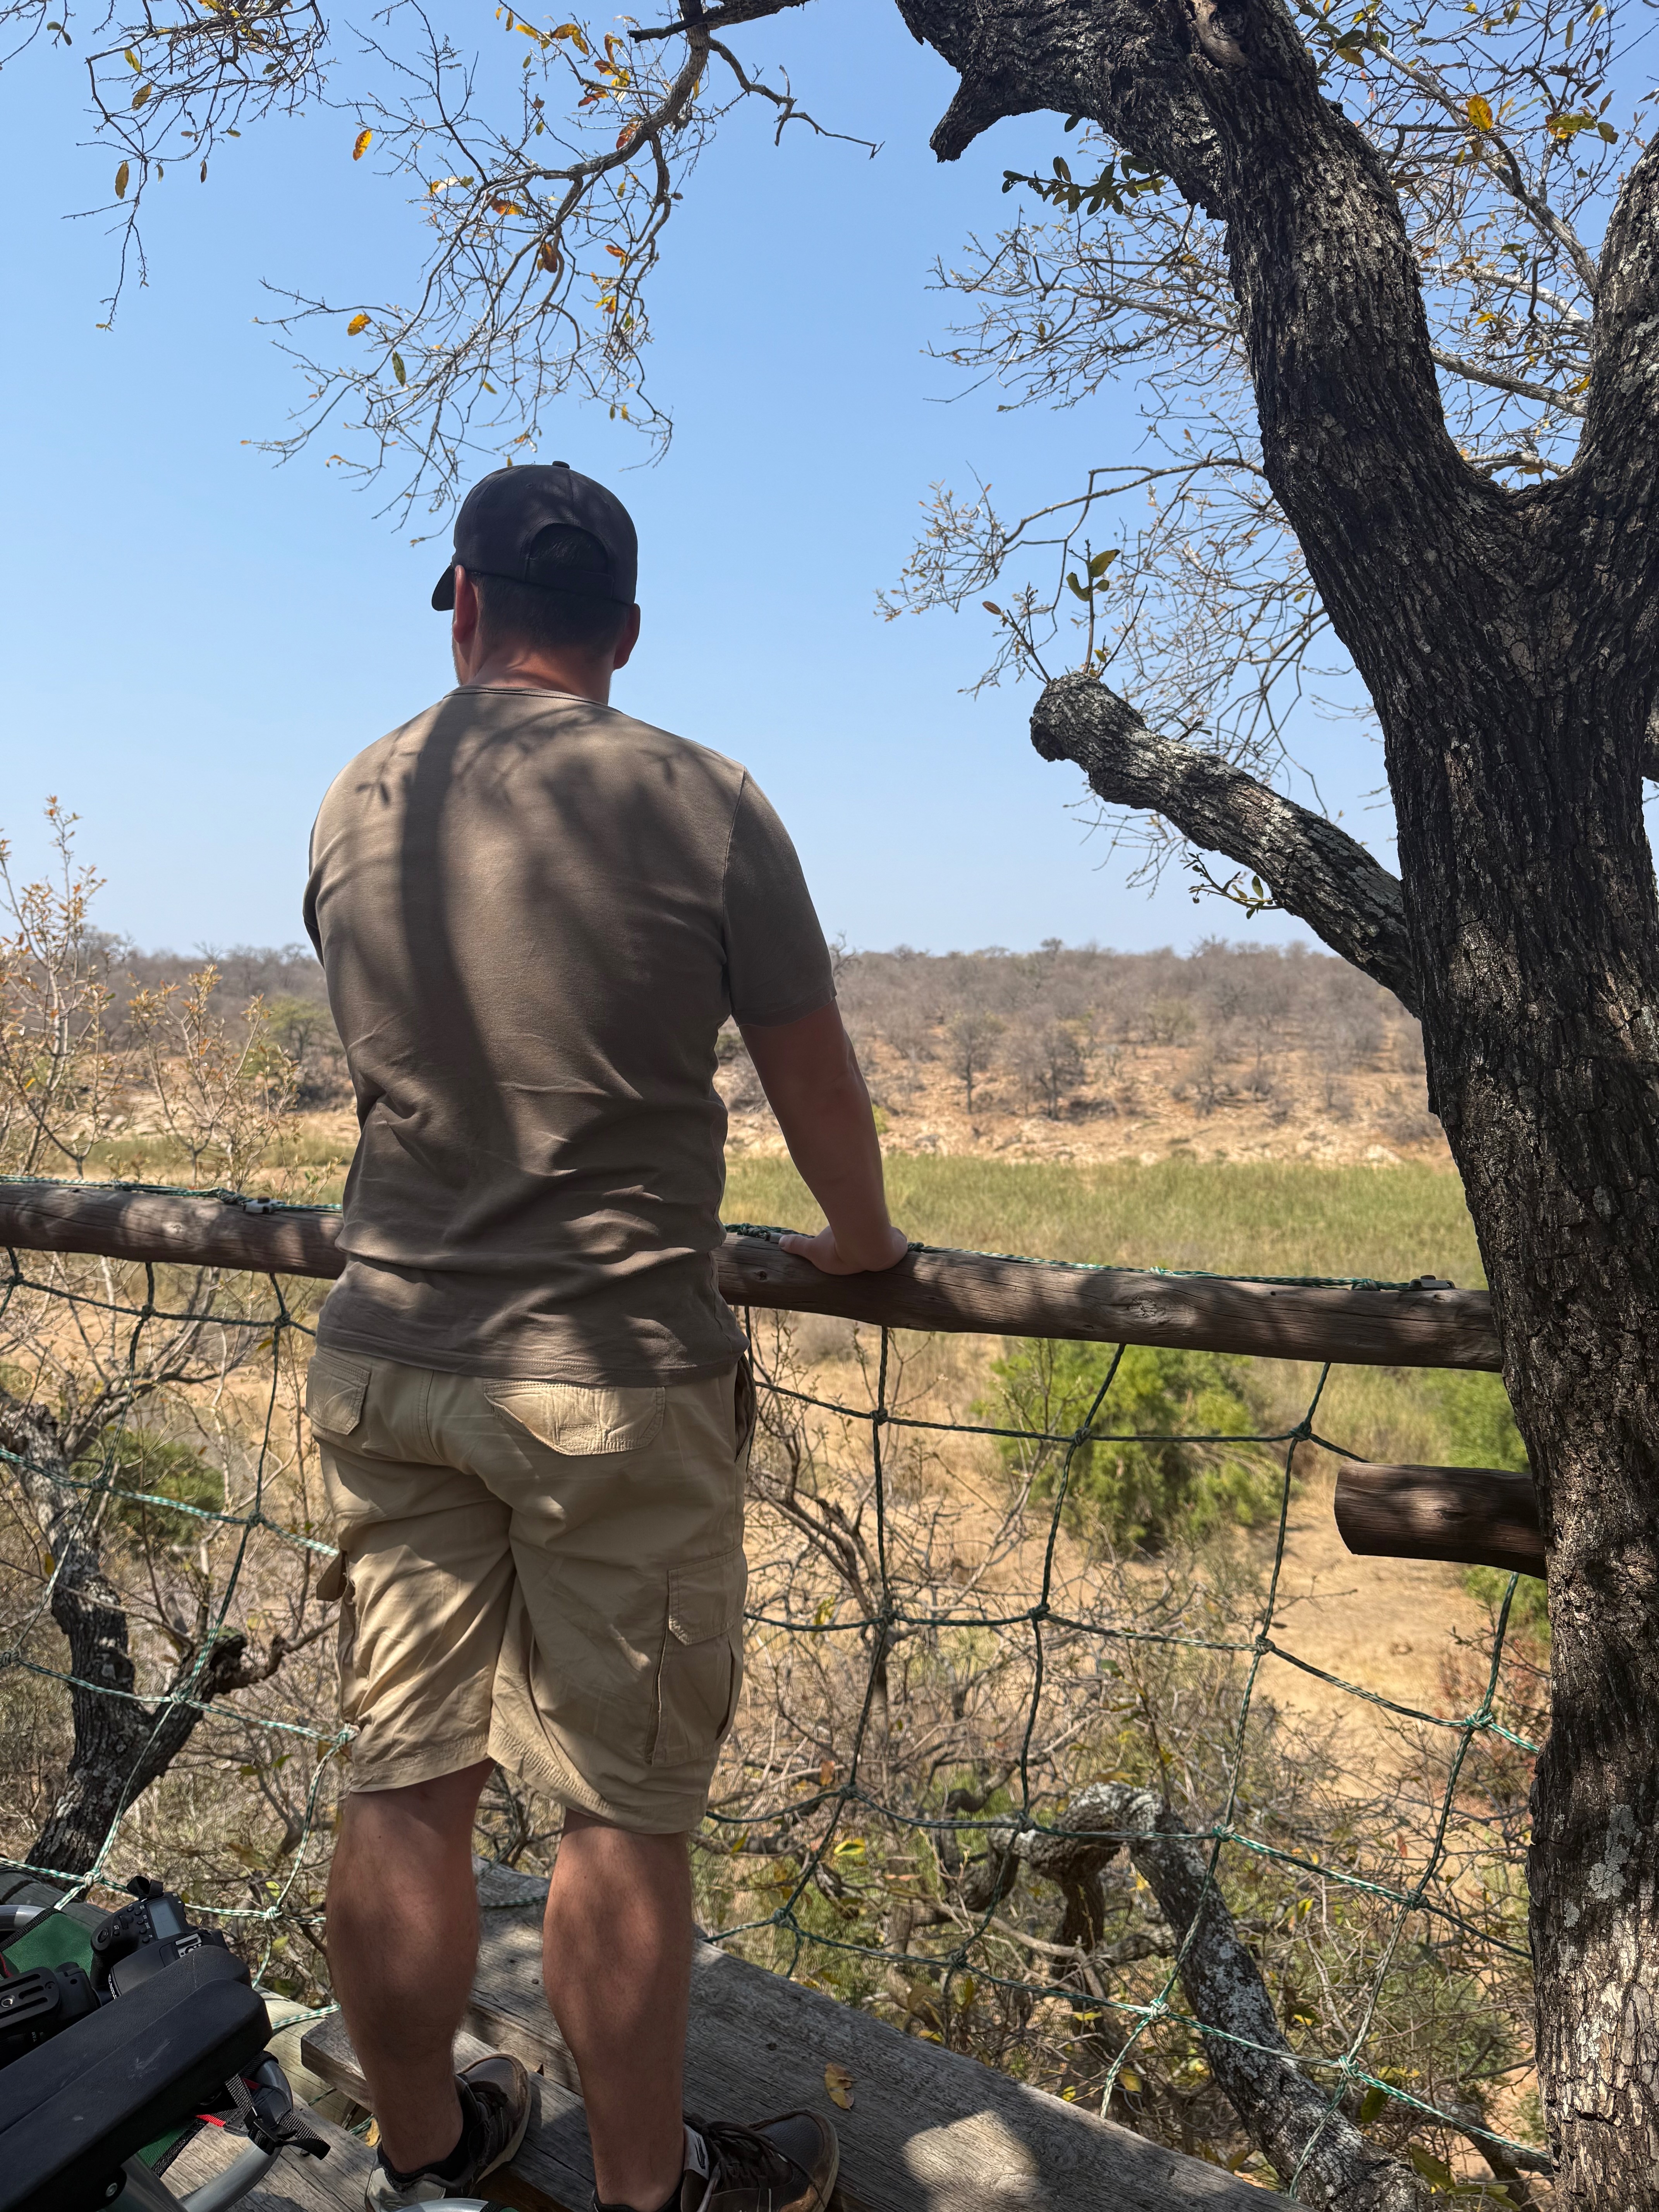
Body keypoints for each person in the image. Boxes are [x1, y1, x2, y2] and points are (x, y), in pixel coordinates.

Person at [303, 462, 907, 2212]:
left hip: (394, 1349)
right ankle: (651, 2195)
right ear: (626, 634)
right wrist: (859, 1249)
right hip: (613, 1372)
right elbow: (815, 1081)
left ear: (465, 606)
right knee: (624, 1815)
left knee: (406, 1772)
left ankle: (429, 2153)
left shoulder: (361, 795)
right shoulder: (706, 801)